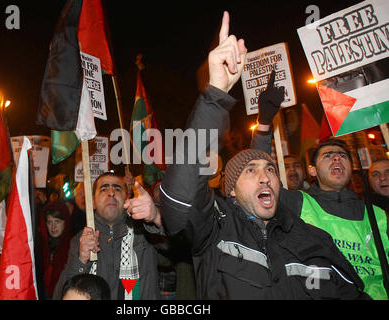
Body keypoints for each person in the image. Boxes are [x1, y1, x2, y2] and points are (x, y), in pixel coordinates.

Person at [158, 11, 368, 300]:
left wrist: (265, 122)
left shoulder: (314, 238)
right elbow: (179, 200)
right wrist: (216, 94)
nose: (265, 176)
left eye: (271, 170)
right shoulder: (214, 232)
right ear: (229, 191)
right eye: (250, 171)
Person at [251, 67, 388, 300]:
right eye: (328, 155)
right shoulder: (297, 204)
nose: (337, 158)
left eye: (342, 155)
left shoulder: (378, 215)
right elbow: (258, 176)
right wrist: (264, 123)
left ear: (351, 167)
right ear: (312, 170)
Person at [52, 171, 162, 300]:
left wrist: (157, 217)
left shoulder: (146, 232)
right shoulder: (80, 240)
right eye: (104, 189)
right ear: (92, 202)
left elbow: (179, 246)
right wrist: (81, 261)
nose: (111, 193)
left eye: (117, 188)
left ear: (127, 198)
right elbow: (60, 295)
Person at [37, 200, 72, 298]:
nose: (53, 227)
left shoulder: (72, 246)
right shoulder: (41, 247)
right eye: (49, 222)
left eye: (57, 221)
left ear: (65, 222)